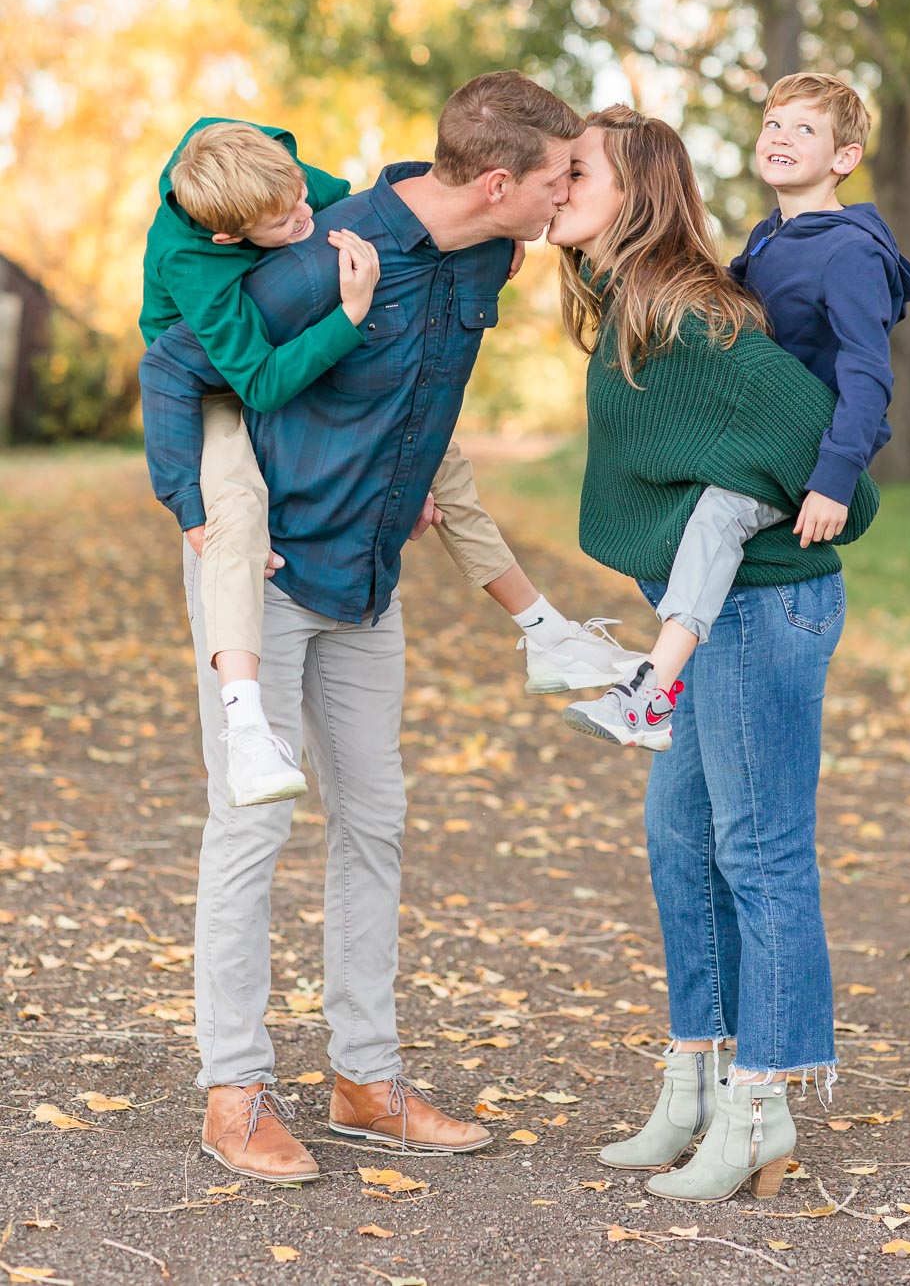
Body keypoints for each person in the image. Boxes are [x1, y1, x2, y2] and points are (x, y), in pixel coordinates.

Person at [139, 71, 605, 1185]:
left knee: (376, 823)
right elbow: (176, 366)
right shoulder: (323, 254)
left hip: (369, 582)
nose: (563, 198)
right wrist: (202, 514)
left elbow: (429, 400)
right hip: (274, 576)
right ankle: (236, 1088)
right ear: (500, 183)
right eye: (556, 179)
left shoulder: (491, 253)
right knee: (251, 827)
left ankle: (365, 1079)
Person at [547, 105, 880, 1203]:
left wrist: (823, 489)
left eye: (574, 171)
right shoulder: (624, 301)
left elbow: (841, 471)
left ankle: (762, 1109)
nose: (553, 186)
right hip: (713, 614)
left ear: (633, 192)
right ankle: (695, 1079)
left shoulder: (696, 322)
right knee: (678, 841)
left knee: (760, 852)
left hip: (763, 612)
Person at [141, 119, 641, 806]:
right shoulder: (198, 268)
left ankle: (545, 630)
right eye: (287, 225)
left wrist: (483, 235)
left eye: (302, 204)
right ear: (232, 239)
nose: (307, 223)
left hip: (280, 358)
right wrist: (185, 506)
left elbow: (379, 199)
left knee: (443, 462)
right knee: (233, 514)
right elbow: (232, 379)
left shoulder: (284, 176)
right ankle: (245, 721)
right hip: (216, 392)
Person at [563, 73, 910, 751]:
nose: (781, 137)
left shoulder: (850, 252)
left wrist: (834, 476)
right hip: (761, 448)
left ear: (844, 158)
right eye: (773, 124)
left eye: (805, 129)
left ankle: (652, 687)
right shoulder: (769, 239)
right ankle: (654, 682)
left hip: (807, 458)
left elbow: (869, 373)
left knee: (716, 519)